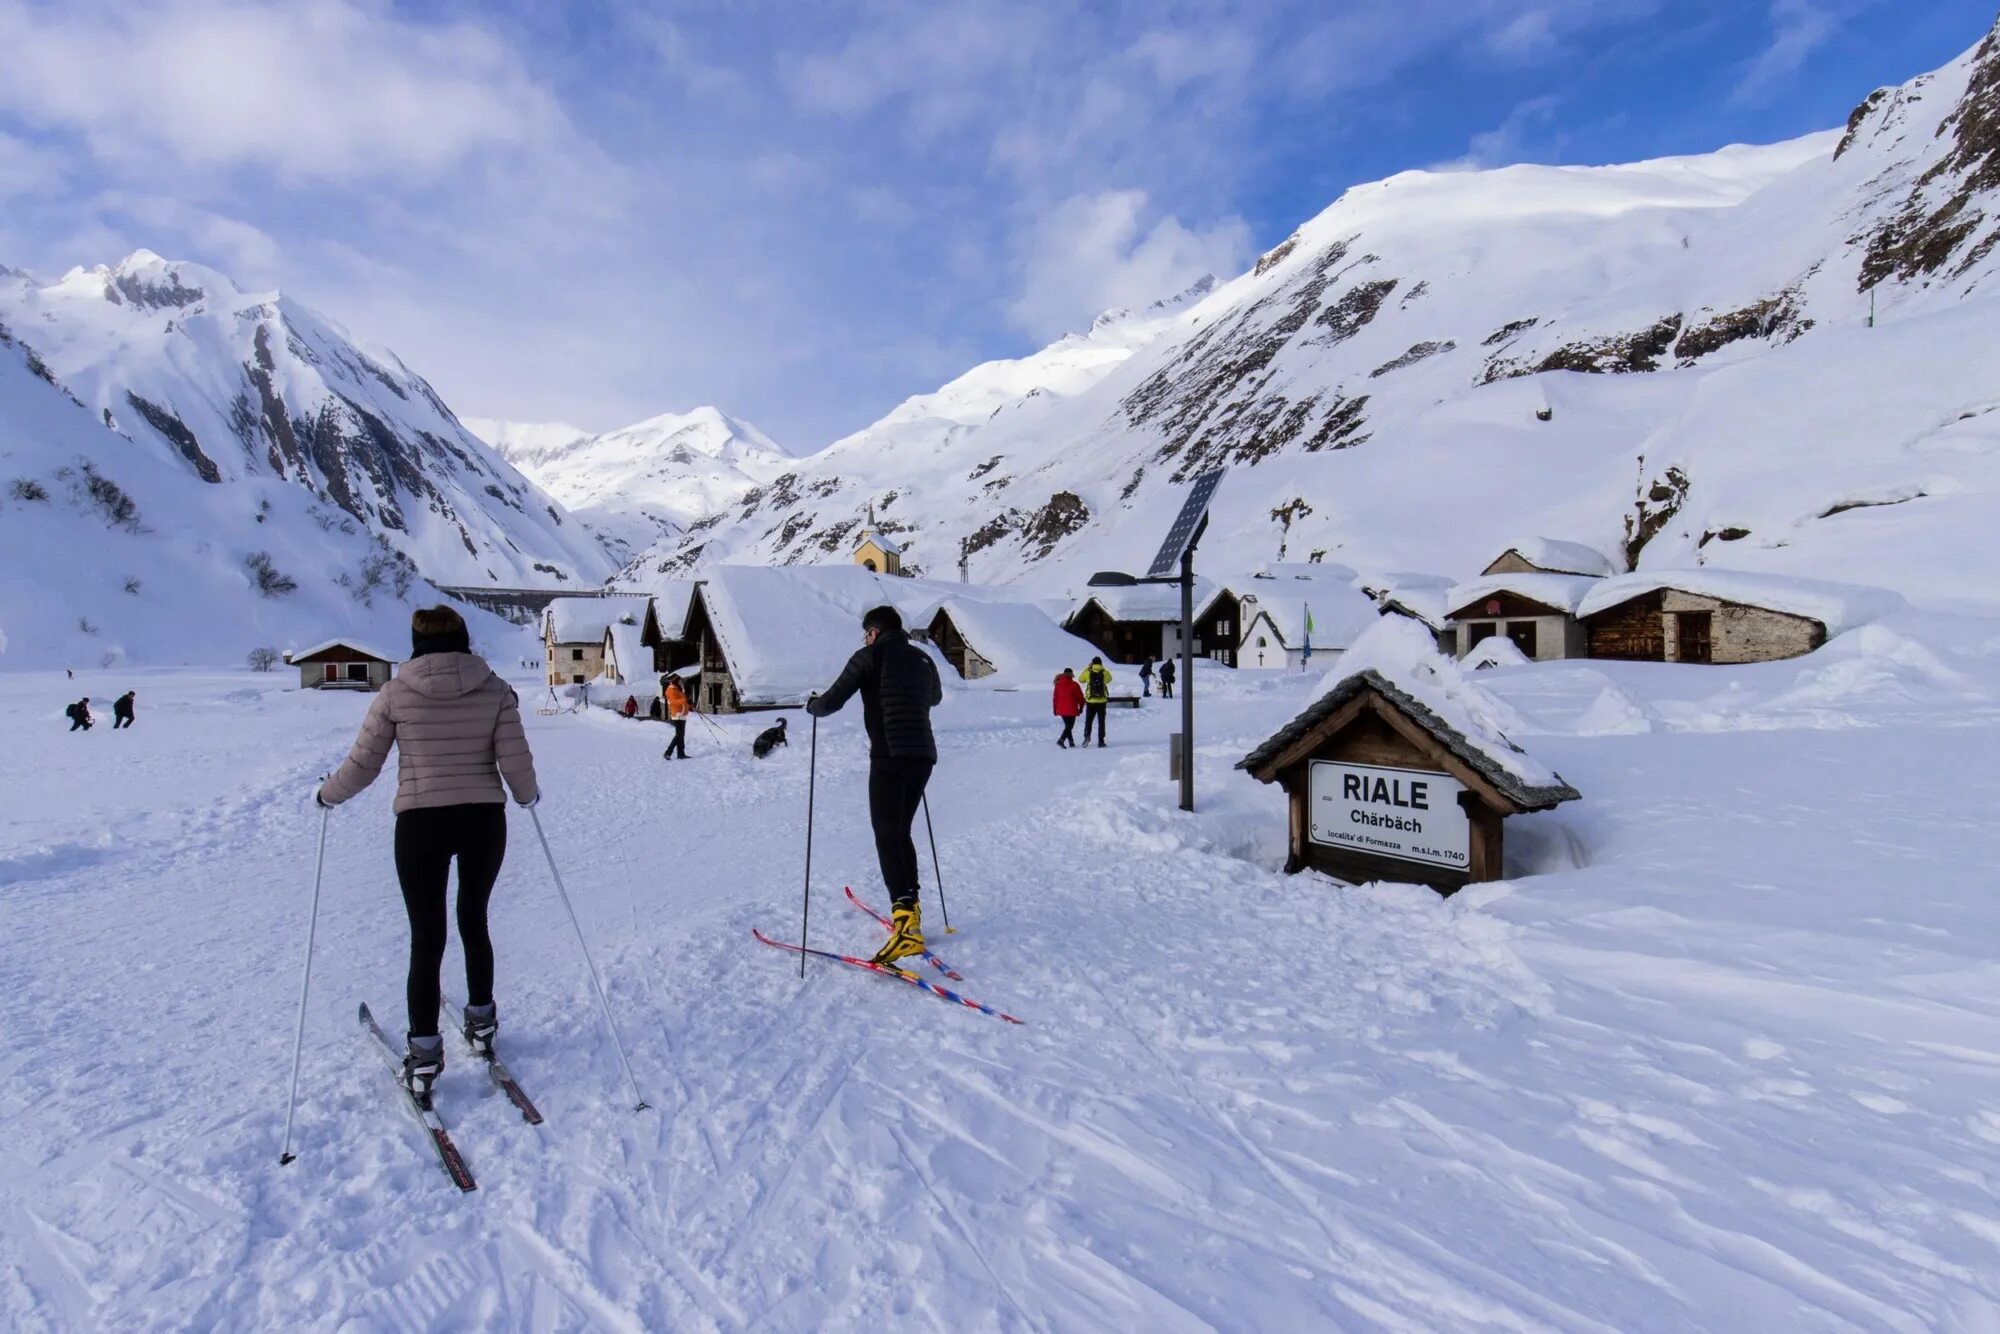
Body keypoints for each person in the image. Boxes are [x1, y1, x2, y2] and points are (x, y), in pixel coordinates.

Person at [315, 605, 538, 1104]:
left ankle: (424, 1054)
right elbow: (515, 758)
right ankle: (482, 1023)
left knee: (426, 937)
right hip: (484, 818)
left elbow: (363, 763)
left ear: (415, 642)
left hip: (421, 824)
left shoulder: (395, 693)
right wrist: (528, 795)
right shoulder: (496, 689)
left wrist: (329, 794)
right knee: (474, 921)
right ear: (463, 638)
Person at [807, 604, 942, 966]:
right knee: (900, 831)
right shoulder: (923, 660)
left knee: (887, 833)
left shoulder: (869, 656)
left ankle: (905, 925)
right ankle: (909, 912)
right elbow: (934, 699)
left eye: (866, 632)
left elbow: (831, 702)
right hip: (923, 755)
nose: (865, 638)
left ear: (874, 631)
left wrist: (812, 706)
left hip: (888, 755)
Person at [1080, 657, 1113, 748]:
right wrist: (1102, 669)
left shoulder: (1088, 673)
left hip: (1090, 701)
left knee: (1089, 721)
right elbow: (1110, 679)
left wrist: (1088, 668)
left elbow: (1081, 680)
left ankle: (1087, 736)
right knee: (1101, 721)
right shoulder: (1105, 673)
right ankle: (1101, 741)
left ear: (1092, 663)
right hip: (1102, 701)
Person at [1052, 667, 1083, 747]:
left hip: (1061, 709)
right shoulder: (1074, 685)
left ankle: (1071, 742)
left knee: (1067, 726)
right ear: (1072, 674)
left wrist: (1055, 709)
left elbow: (1055, 697)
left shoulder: (1058, 684)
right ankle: (1061, 740)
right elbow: (1080, 697)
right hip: (1072, 709)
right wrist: (1081, 707)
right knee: (1069, 726)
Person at [662, 676, 690, 760]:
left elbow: (682, 701)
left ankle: (681, 753)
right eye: (679, 681)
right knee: (679, 735)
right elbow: (674, 702)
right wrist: (684, 700)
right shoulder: (671, 690)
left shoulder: (678, 689)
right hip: (677, 715)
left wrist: (689, 705)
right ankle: (668, 752)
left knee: (681, 735)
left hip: (682, 715)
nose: (681, 682)